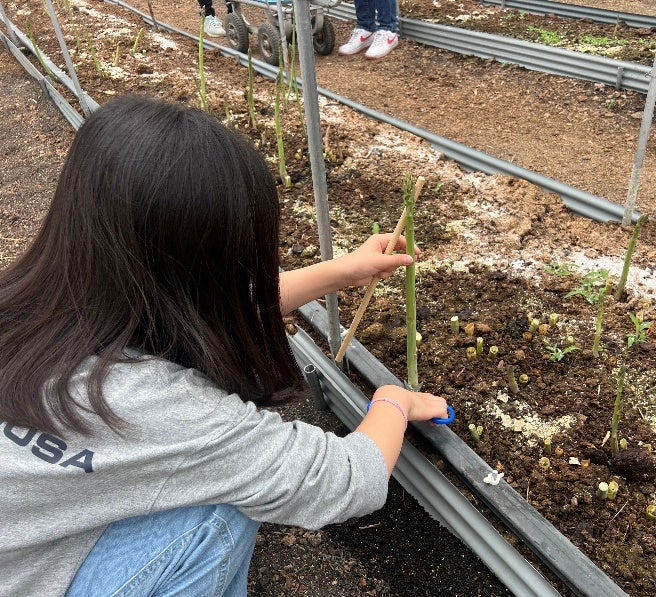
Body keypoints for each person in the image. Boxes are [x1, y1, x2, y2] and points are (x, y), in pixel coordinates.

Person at [0, 95, 449, 596]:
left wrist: (342, 271)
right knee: (217, 511)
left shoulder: (27, 311)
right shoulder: (166, 413)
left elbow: (193, 308)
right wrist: (394, 400)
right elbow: (348, 478)